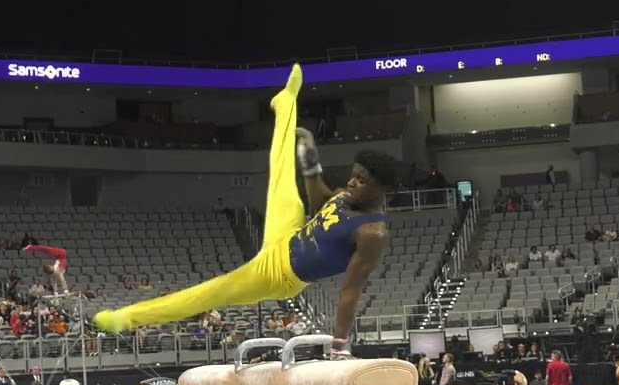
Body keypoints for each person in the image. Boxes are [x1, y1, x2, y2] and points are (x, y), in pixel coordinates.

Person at [93, 65, 394, 357]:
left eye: (361, 180)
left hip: (278, 275)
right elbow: (319, 200)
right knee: (282, 176)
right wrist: (310, 161)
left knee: (208, 292)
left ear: (381, 188)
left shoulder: (371, 233)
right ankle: (286, 101)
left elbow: (350, 290)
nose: (352, 182)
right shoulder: (345, 196)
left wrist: (340, 344)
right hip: (287, 233)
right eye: (353, 175)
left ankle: (124, 318)